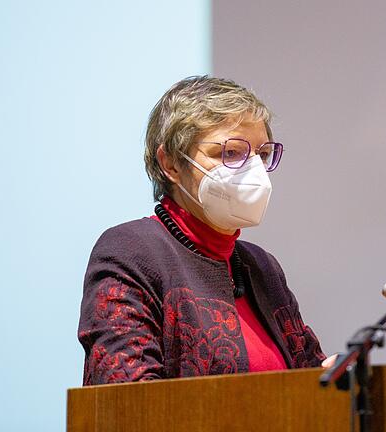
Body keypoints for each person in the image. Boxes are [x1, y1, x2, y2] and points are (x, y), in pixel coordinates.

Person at [77, 76, 330, 384]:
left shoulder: (262, 268)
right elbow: (129, 397)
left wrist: (329, 380)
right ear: (170, 163)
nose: (254, 170)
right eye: (231, 152)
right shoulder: (130, 252)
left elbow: (309, 374)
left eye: (262, 154)